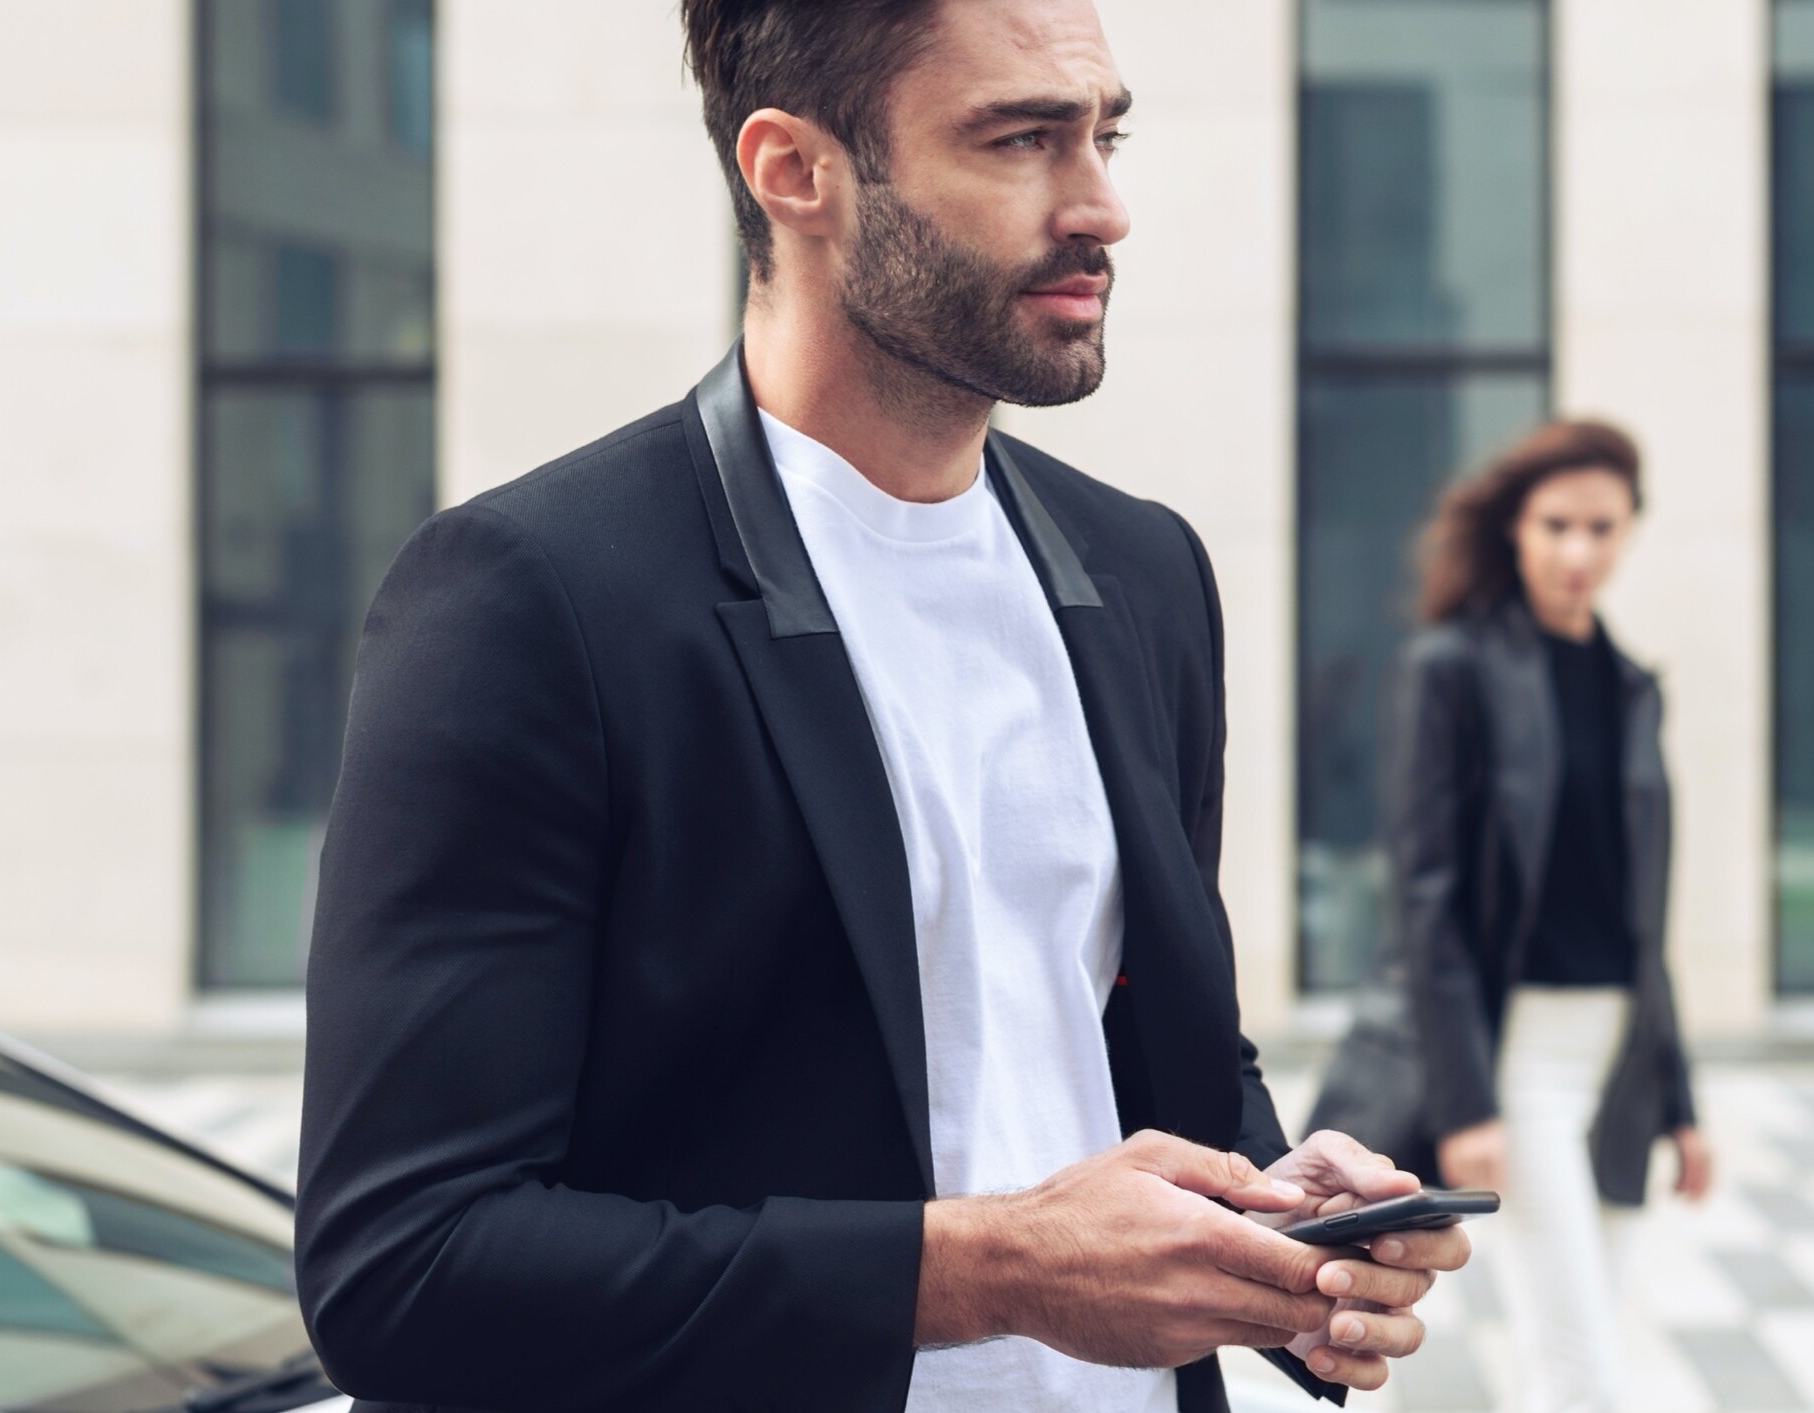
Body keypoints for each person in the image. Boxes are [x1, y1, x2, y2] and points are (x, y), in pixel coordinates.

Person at [295, 2, 1469, 1409]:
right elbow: (402, 1267)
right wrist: (993, 1269)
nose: (1102, 205)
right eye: (1021, 139)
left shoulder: (1143, 573)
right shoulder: (530, 602)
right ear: (795, 170)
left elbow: (1137, 1055)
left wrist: (1274, 1224)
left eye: (1104, 133)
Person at [1307, 419, 1714, 1412]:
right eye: (1558, 525)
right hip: (1517, 1059)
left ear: (1629, 534)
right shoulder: (1451, 669)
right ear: (1516, 531)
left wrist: (1682, 1102)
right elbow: (1428, 896)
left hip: (1618, 1054)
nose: (1580, 551)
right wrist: (1467, 1098)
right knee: (1587, 1369)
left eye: (1602, 528)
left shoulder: (1628, 686)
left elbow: (1640, 913)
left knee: (1574, 1347)